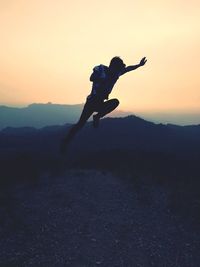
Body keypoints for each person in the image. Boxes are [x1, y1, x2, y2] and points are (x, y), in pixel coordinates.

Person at [60, 56, 147, 153]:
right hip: (91, 102)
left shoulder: (116, 73)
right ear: (113, 67)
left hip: (100, 103)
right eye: (118, 68)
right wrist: (100, 78)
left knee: (115, 102)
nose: (119, 71)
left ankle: (97, 116)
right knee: (80, 124)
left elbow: (128, 69)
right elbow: (91, 78)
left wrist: (139, 65)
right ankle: (65, 142)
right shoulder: (102, 70)